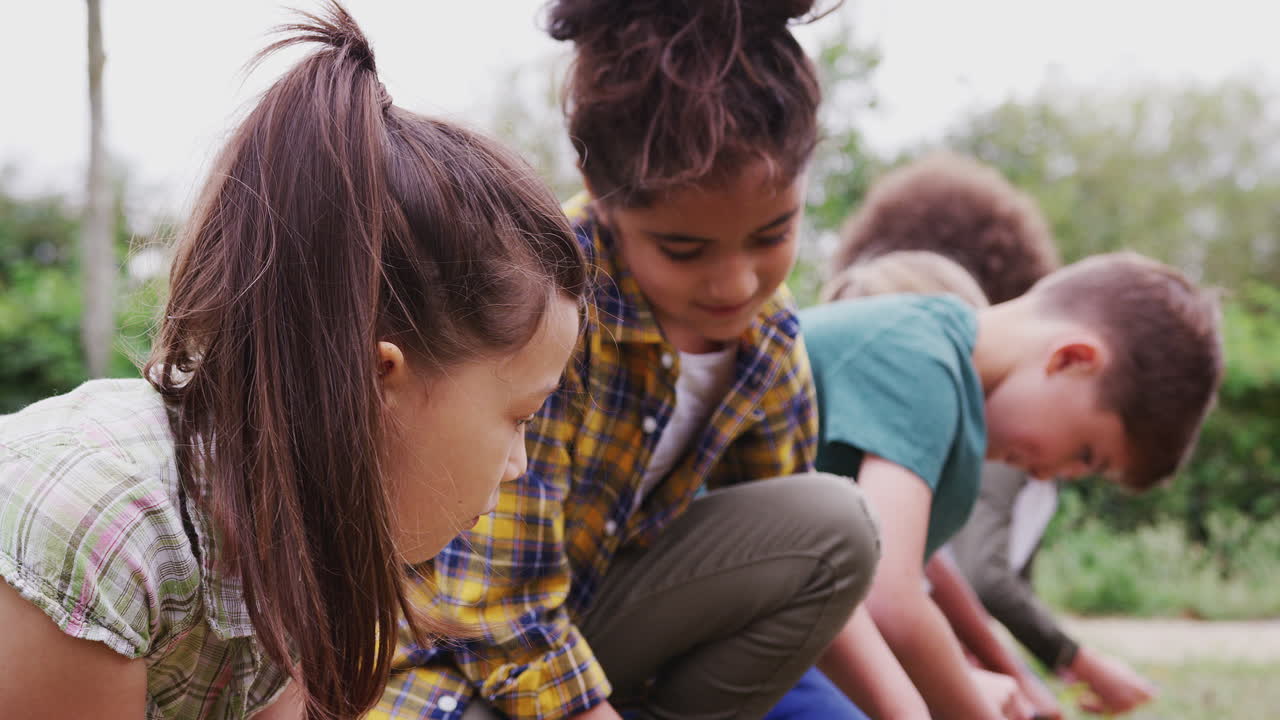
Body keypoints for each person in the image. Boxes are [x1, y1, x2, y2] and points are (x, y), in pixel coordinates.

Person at [0, 4, 588, 718]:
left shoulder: (293, 528)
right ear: (379, 379)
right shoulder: (103, 530)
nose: (520, 462)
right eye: (520, 415)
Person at [375, 2, 882, 719]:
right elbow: (494, 609)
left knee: (834, 523)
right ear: (605, 194)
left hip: (598, 640)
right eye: (684, 250)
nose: (736, 284)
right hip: (448, 663)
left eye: (772, 234)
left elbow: (793, 569)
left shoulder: (768, 344)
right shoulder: (536, 306)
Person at [791, 249, 1222, 720]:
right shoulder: (921, 359)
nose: (1047, 474)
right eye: (1084, 454)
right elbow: (891, 603)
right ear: (1071, 359)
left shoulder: (948, 390)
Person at [949, 468, 1159, 715]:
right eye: (1087, 456)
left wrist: (1061, 673)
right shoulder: (1008, 462)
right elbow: (986, 582)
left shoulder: (1045, 482)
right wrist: (1081, 664)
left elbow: (1014, 589)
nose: (1082, 471)